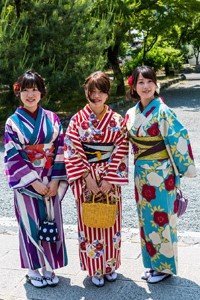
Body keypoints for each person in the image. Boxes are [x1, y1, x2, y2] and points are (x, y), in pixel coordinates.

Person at [125, 66, 196, 284]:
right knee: (146, 220)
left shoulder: (163, 111)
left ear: (156, 84)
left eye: (149, 81)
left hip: (161, 174)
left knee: (162, 219)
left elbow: (178, 138)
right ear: (134, 87)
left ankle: (164, 268)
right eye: (140, 82)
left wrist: (183, 169)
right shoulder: (131, 113)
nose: (145, 86)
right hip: (141, 174)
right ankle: (153, 264)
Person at [4, 70, 68, 288]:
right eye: (25, 90)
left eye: (34, 89)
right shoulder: (12, 123)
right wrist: (34, 181)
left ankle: (49, 266)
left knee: (51, 220)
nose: (30, 95)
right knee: (30, 224)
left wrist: (55, 181)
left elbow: (60, 148)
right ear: (18, 93)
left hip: (50, 178)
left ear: (41, 92)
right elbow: (13, 155)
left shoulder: (52, 118)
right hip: (27, 183)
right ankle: (32, 268)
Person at [64, 71, 128, 287]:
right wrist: (86, 176)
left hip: (110, 176)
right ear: (86, 92)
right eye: (92, 91)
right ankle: (94, 269)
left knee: (111, 221)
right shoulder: (77, 120)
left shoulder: (117, 120)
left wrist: (110, 178)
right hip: (86, 177)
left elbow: (121, 147)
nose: (96, 96)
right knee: (89, 223)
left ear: (107, 94)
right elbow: (71, 149)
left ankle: (110, 265)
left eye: (101, 91)